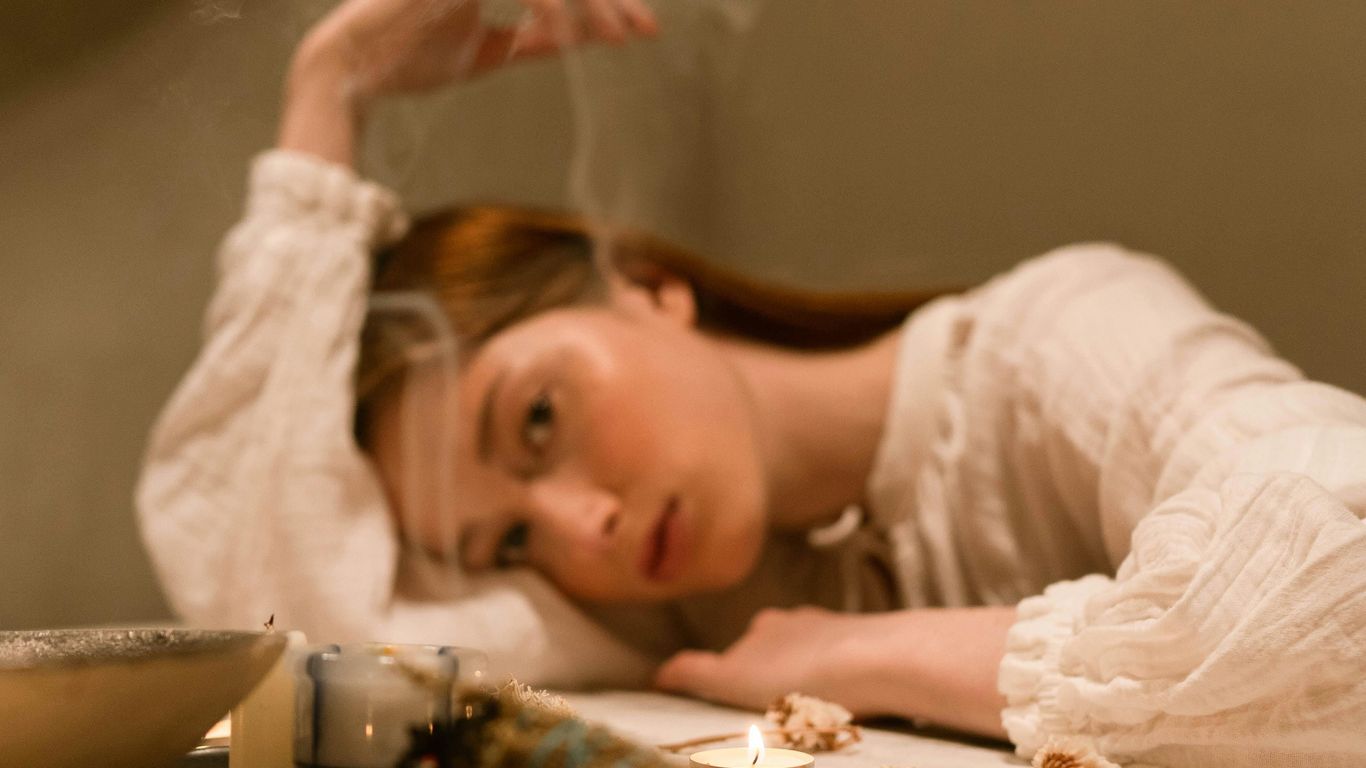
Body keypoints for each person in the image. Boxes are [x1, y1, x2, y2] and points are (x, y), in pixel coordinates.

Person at [136, 1, 1366, 765]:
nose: (577, 529)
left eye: (540, 419)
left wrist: (852, 651)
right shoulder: (680, 613)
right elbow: (279, 624)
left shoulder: (1056, 337)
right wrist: (327, 95)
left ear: (645, 286)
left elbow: (1342, 587)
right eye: (506, 538)